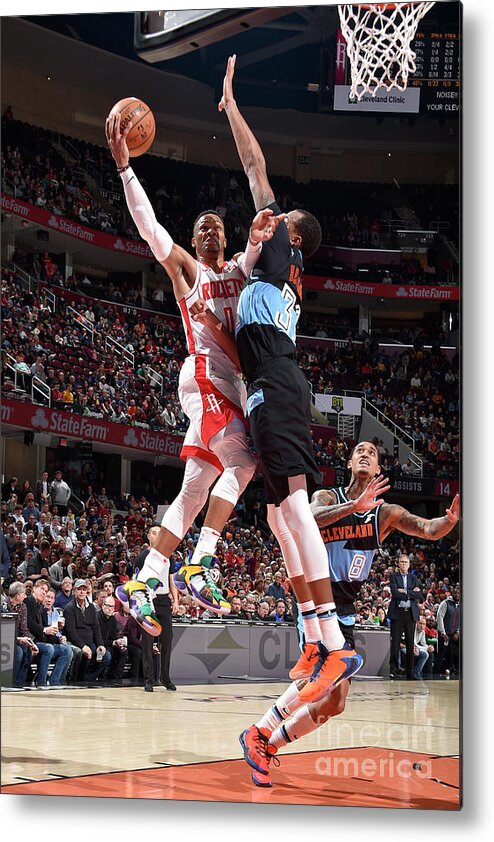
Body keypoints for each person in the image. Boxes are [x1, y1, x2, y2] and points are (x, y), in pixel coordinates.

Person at [218, 54, 362, 706]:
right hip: (267, 380)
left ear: (293, 230)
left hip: (277, 377)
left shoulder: (281, 241)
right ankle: (312, 633)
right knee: (278, 516)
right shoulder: (282, 265)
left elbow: (254, 168)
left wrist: (231, 106)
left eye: (285, 212)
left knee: (295, 507)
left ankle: (333, 645)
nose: (277, 211)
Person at [106, 111, 284, 633]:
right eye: (201, 225)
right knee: (246, 461)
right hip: (204, 375)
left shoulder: (239, 269)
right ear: (194, 237)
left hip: (229, 385)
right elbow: (150, 228)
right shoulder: (190, 269)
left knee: (195, 490)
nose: (208, 229)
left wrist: (256, 236)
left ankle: (146, 577)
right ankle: (202, 563)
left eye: (216, 226)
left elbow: (258, 252)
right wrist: (125, 171)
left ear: (226, 237)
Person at [238, 441, 460, 786]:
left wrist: (450, 519)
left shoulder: (385, 514)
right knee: (320, 678)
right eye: (360, 450)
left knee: (335, 703)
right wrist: (352, 506)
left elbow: (428, 529)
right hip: (317, 601)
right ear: (349, 462)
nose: (366, 454)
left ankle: (269, 744)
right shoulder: (329, 496)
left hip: (347, 608)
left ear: (378, 470)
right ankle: (259, 731)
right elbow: (306, 519)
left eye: (372, 453)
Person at [138, 524, 178, 692]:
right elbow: (136, 580)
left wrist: (175, 600)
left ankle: (165, 677)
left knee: (167, 639)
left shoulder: (168, 556)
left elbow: (172, 579)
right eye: (154, 533)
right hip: (147, 599)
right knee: (147, 641)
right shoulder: (143, 557)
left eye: (159, 533)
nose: (157, 536)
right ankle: (148, 679)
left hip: (163, 599)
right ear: (148, 536)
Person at [25, 578, 72, 686]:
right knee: (49, 648)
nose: (44, 593)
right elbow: (30, 623)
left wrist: (59, 636)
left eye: (46, 591)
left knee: (67, 650)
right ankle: (41, 682)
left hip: (43, 641)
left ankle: (54, 681)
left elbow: (48, 631)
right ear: (34, 589)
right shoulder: (28, 601)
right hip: (32, 641)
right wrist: (45, 629)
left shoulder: (42, 608)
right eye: (42, 589)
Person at [64, 579, 110, 682]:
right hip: (77, 643)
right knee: (84, 655)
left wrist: (100, 644)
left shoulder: (91, 608)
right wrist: (82, 646)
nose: (82, 592)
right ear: (74, 591)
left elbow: (96, 628)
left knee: (106, 656)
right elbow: (71, 632)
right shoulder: (69, 608)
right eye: (79, 589)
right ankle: (78, 680)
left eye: (84, 589)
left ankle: (88, 679)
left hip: (91, 643)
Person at [388, 554, 422, 680]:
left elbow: (419, 595)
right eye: (401, 562)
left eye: (405, 562)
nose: (403, 564)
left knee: (409, 643)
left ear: (409, 564)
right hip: (398, 613)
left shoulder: (413, 577)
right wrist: (411, 593)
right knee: (395, 643)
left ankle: (410, 672)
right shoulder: (394, 576)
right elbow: (395, 593)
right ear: (398, 564)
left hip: (410, 613)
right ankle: (394, 670)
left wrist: (406, 592)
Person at [6, 581, 39, 688]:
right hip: (5, 638)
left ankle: (20, 683)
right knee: (19, 652)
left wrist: (31, 643)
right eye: (23, 594)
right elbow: (5, 631)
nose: (25, 596)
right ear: (17, 595)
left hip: (17, 638)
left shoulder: (23, 606)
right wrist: (19, 639)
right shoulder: (4, 606)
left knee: (27, 649)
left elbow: (24, 629)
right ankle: (9, 682)